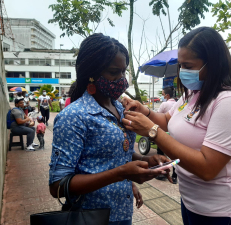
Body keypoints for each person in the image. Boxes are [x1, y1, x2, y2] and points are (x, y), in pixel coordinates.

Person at [122, 27, 231, 225]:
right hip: (193, 201)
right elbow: (167, 121)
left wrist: (152, 132)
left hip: (225, 209)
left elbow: (208, 168)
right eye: (180, 65)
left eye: (188, 65)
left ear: (212, 63)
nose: (182, 72)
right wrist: (145, 112)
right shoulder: (194, 92)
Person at [49, 33, 171, 225]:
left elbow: (115, 154)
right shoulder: (74, 116)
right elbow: (58, 186)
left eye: (123, 72)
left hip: (122, 212)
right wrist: (122, 174)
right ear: (92, 73)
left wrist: (146, 160)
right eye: (114, 72)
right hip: (90, 216)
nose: (122, 80)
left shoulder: (120, 108)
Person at [156, 87, 177, 183]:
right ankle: (175, 175)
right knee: (175, 154)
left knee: (160, 153)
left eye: (163, 94)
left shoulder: (165, 104)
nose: (162, 96)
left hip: (163, 132)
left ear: (167, 95)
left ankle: (162, 173)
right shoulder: (177, 104)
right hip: (174, 132)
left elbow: (158, 115)